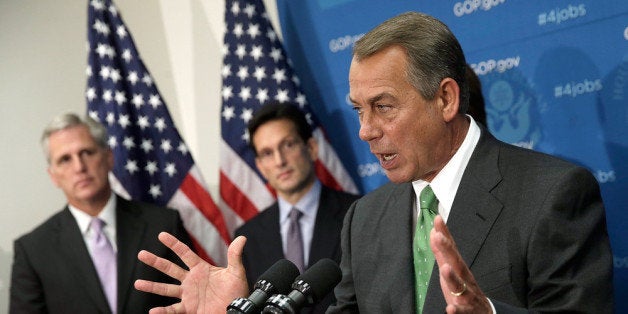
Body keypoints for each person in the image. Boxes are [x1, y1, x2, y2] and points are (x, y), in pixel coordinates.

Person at [134, 11, 614, 313]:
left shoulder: (553, 194)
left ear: (445, 99)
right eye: (359, 111)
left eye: (383, 107)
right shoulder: (365, 218)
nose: (366, 130)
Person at [10, 113, 193, 314]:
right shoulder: (33, 250)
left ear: (108, 158)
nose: (79, 167)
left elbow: (192, 302)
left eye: (87, 152)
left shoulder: (163, 225)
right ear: (53, 176)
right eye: (65, 159)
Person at [234, 102, 360, 313]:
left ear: (311, 148)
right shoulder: (247, 236)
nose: (279, 161)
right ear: (260, 167)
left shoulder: (360, 213)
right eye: (267, 153)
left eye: (288, 145)